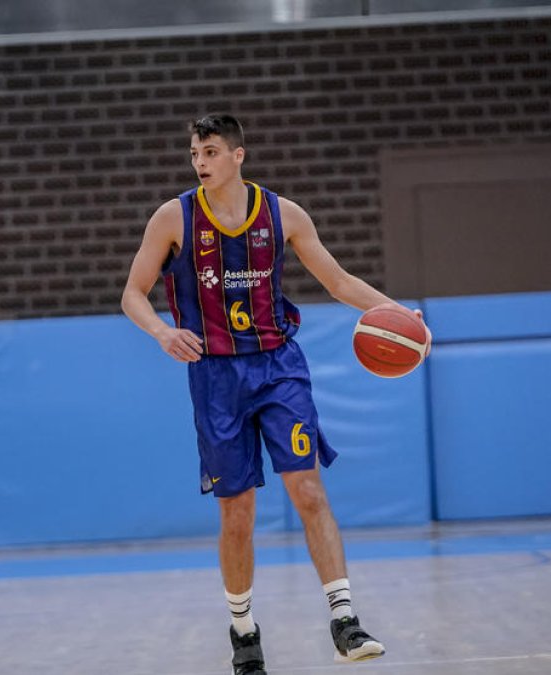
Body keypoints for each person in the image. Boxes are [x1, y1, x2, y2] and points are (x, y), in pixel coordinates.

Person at [122, 113, 415, 674]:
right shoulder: (173, 217)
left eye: (210, 152)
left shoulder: (283, 214)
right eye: (194, 154)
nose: (200, 163)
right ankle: (243, 632)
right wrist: (161, 331)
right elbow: (133, 293)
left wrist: (398, 314)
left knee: (307, 490)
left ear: (238, 155)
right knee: (238, 513)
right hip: (215, 377)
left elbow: (339, 281)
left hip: (279, 365)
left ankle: (345, 621)